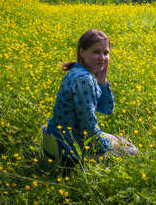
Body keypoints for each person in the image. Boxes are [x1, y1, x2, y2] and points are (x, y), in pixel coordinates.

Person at [42, 29, 138, 165]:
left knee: (122, 140)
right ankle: (85, 163)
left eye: (106, 53)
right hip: (69, 151)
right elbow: (88, 126)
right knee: (132, 151)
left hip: (57, 140)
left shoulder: (76, 71)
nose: (102, 57)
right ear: (82, 52)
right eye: (96, 52)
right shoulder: (84, 80)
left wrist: (102, 81)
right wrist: (108, 147)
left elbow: (106, 109)